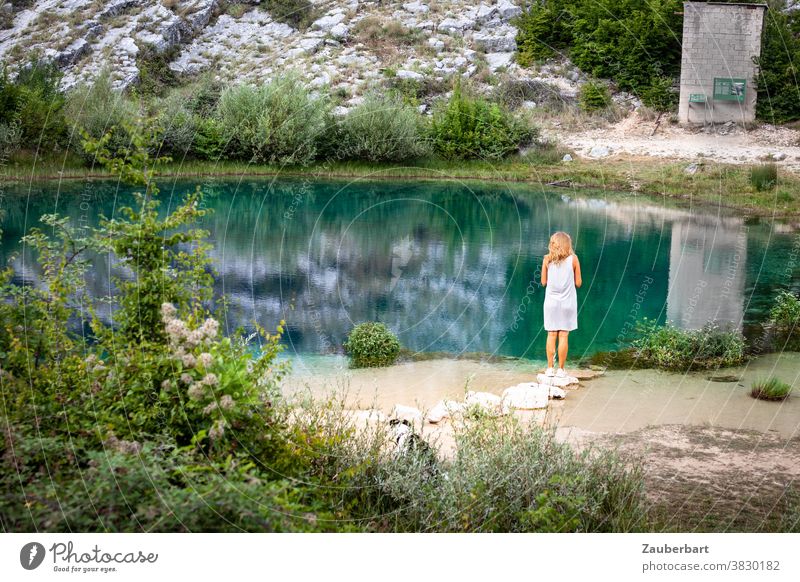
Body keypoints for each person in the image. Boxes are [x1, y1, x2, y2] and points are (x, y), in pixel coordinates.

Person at [541, 231, 581, 378]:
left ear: (553, 244)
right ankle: (561, 370)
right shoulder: (574, 259)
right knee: (563, 335)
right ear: (567, 244)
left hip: (551, 303)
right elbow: (578, 283)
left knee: (551, 334)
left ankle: (550, 369)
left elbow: (543, 282)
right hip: (568, 303)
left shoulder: (546, 259)